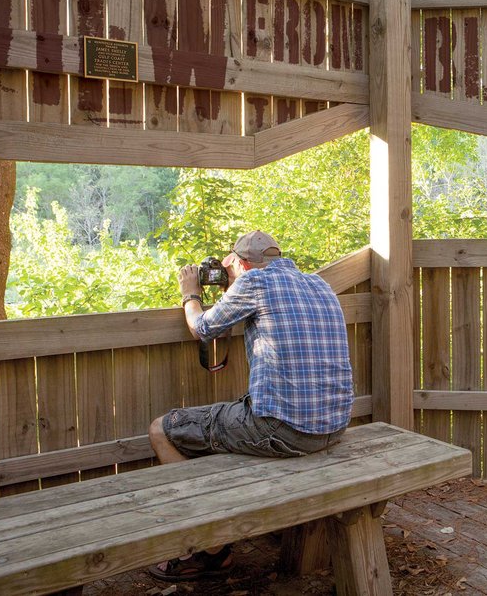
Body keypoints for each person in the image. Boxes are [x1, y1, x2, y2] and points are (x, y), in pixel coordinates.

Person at [147, 230, 354, 582]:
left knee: (161, 430)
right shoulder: (318, 284)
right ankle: (222, 529)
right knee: (226, 427)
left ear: (241, 264)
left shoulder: (254, 283)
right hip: (333, 428)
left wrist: (190, 293)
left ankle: (208, 550)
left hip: (285, 431)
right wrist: (233, 286)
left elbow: (202, 327)